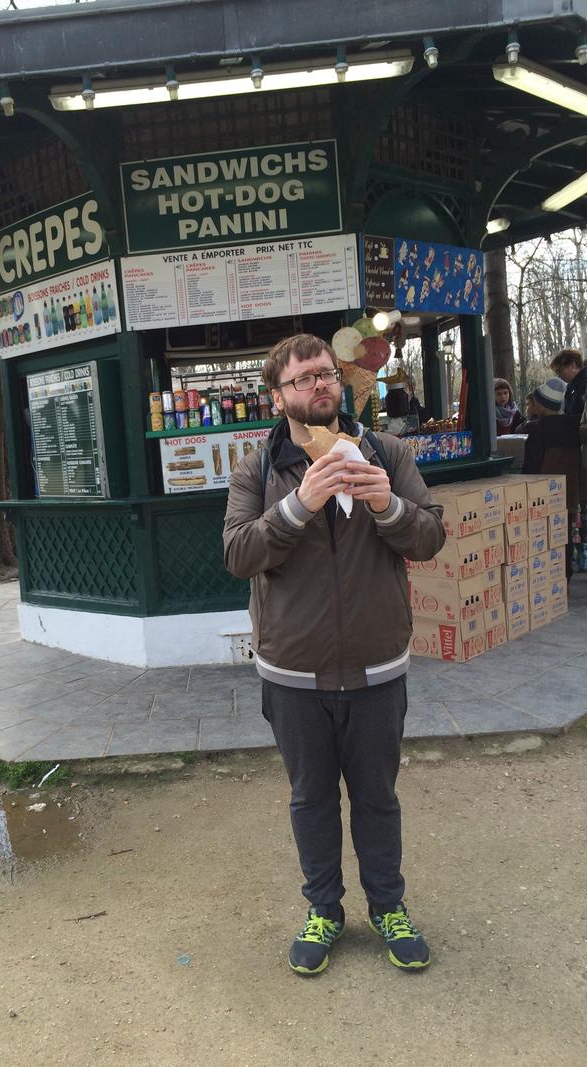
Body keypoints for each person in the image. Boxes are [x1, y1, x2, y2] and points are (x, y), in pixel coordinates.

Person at [223, 333, 445, 976]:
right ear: (279, 396)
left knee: (377, 797)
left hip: (377, 665)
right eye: (302, 380)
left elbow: (429, 536)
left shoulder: (387, 452)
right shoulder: (257, 470)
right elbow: (239, 555)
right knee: (310, 798)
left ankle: (388, 907)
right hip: (293, 671)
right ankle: (323, 909)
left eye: (325, 375)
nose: (318, 386)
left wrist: (385, 502)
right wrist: (298, 506)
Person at [522, 377, 583, 581]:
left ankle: (546, 579)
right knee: (563, 536)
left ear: (540, 404)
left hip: (543, 495)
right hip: (568, 493)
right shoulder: (574, 427)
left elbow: (531, 467)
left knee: (543, 537)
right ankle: (564, 575)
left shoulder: (537, 431)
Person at [550, 348, 587, 418]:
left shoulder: (584, 384)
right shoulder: (571, 386)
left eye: (559, 370)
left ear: (573, 366)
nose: (558, 375)